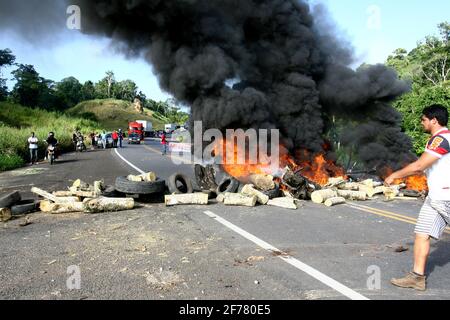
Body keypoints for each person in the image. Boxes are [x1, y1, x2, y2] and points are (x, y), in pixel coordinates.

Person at [385, 104, 450, 291]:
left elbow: (419, 165)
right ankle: (417, 277)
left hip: (445, 197)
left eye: (423, 119)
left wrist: (395, 175)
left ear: (434, 120)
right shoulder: (439, 139)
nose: (421, 122)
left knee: (422, 233)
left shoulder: (441, 139)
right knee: (421, 233)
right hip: (436, 197)